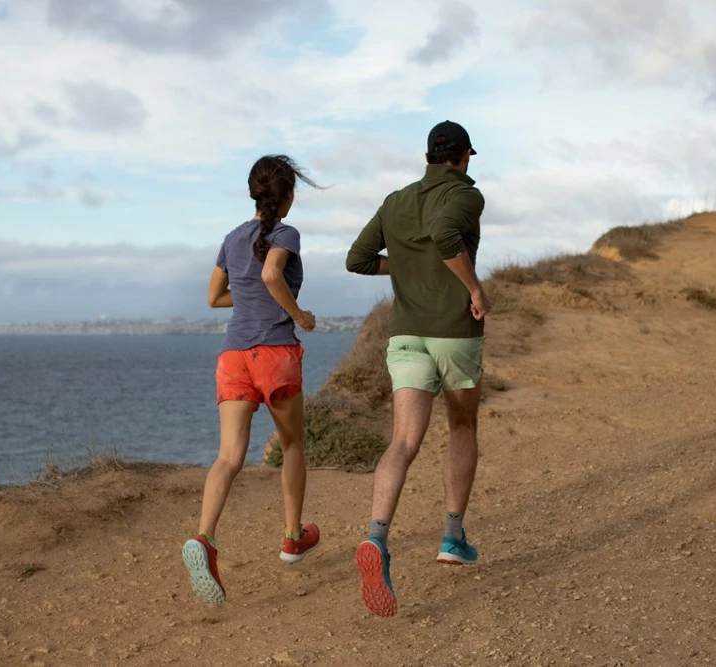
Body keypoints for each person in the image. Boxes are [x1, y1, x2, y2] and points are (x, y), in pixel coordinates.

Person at [345, 120, 490, 617]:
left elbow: (358, 259)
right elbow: (446, 233)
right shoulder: (468, 196)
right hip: (453, 329)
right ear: (465, 156)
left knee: (403, 441)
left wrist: (404, 266)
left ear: (427, 156)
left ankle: (376, 540)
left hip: (405, 334)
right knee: (462, 424)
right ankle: (452, 538)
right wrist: (472, 286)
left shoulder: (394, 201)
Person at [182, 155, 322, 605]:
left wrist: (248, 300)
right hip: (275, 352)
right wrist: (298, 314)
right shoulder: (285, 233)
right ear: (286, 197)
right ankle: (292, 538)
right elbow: (270, 273)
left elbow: (213, 297)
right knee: (293, 444)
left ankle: (204, 537)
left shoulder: (231, 237)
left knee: (228, 457)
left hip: (233, 356)